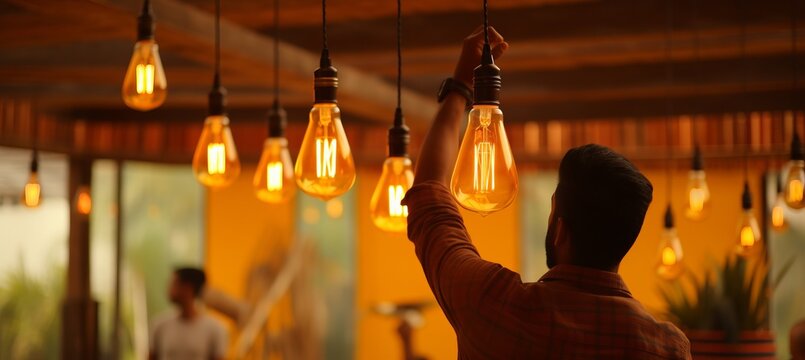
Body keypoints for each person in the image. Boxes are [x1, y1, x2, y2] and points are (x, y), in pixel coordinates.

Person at [402, 26, 692, 359]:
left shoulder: (493, 304)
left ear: (561, 230)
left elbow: (429, 202)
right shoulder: (667, 347)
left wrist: (461, 87)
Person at [150, 267, 228, 360]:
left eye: (174, 283)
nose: (169, 288)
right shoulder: (159, 325)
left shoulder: (214, 329)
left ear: (188, 287)